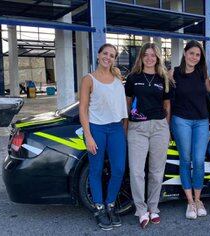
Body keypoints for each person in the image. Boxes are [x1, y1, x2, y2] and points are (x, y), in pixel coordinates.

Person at [79, 43, 128, 230]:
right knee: (96, 169)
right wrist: (88, 136)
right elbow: (83, 109)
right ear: (98, 55)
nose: (108, 57)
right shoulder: (88, 79)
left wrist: (123, 131)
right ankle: (99, 208)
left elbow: (122, 107)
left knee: (118, 169)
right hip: (97, 129)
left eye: (112, 55)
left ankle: (111, 204)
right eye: (105, 53)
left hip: (116, 129)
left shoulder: (117, 78)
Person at [125, 42, 171, 229]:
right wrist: (126, 127)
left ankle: (153, 208)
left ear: (157, 57)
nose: (150, 58)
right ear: (141, 57)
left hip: (159, 127)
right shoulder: (133, 78)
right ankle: (141, 210)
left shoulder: (163, 78)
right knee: (137, 171)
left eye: (153, 55)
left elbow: (167, 105)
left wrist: (165, 126)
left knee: (156, 171)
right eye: (146, 55)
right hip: (137, 128)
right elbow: (127, 104)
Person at [168, 40, 210, 220]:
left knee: (199, 160)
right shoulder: (173, 73)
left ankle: (198, 199)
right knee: (185, 160)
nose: (194, 56)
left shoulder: (203, 74)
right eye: (191, 53)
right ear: (185, 53)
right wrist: (167, 123)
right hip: (181, 121)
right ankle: (190, 202)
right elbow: (168, 101)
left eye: (197, 54)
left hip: (201, 121)